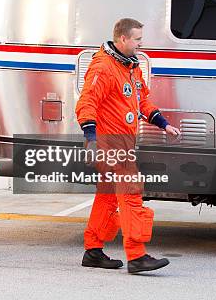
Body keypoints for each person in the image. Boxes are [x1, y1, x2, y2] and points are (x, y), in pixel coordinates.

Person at [75, 18, 180, 274]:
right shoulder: (103, 67)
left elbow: (142, 101)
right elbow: (86, 103)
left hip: (122, 142)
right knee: (131, 194)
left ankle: (93, 250)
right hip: (110, 143)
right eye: (137, 40)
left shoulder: (130, 68)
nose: (140, 44)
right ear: (122, 39)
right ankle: (137, 255)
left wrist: (163, 124)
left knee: (108, 196)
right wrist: (91, 139)